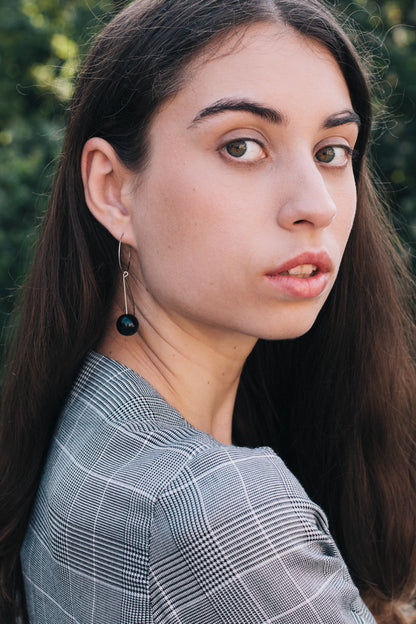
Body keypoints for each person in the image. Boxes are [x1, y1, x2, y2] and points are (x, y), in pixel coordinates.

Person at [1, 0, 415, 622]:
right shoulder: (220, 514)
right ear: (113, 189)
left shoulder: (88, 422)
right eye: (242, 146)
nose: (316, 206)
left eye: (332, 151)